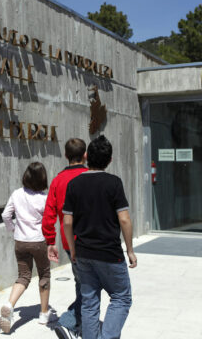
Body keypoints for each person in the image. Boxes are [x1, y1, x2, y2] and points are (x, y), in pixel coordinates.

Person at [62, 135, 138, 339]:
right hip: (109, 253)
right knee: (121, 298)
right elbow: (124, 220)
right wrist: (130, 250)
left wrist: (73, 248)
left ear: (87, 157)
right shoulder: (114, 183)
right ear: (110, 160)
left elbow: (67, 222)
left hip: (84, 252)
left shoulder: (74, 184)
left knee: (89, 302)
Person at [0, 162, 54, 333]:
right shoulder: (45, 198)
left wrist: (13, 229)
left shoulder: (16, 194)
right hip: (39, 241)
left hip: (20, 241)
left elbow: (5, 214)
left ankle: (9, 305)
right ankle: (44, 314)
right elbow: (49, 221)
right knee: (44, 274)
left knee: (23, 276)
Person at [42, 138, 88, 339]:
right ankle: (69, 322)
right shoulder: (91, 176)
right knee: (89, 286)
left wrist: (51, 241)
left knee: (82, 282)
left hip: (69, 241)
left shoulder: (58, 180)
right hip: (91, 239)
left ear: (66, 155)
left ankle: (77, 324)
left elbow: (49, 214)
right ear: (84, 155)